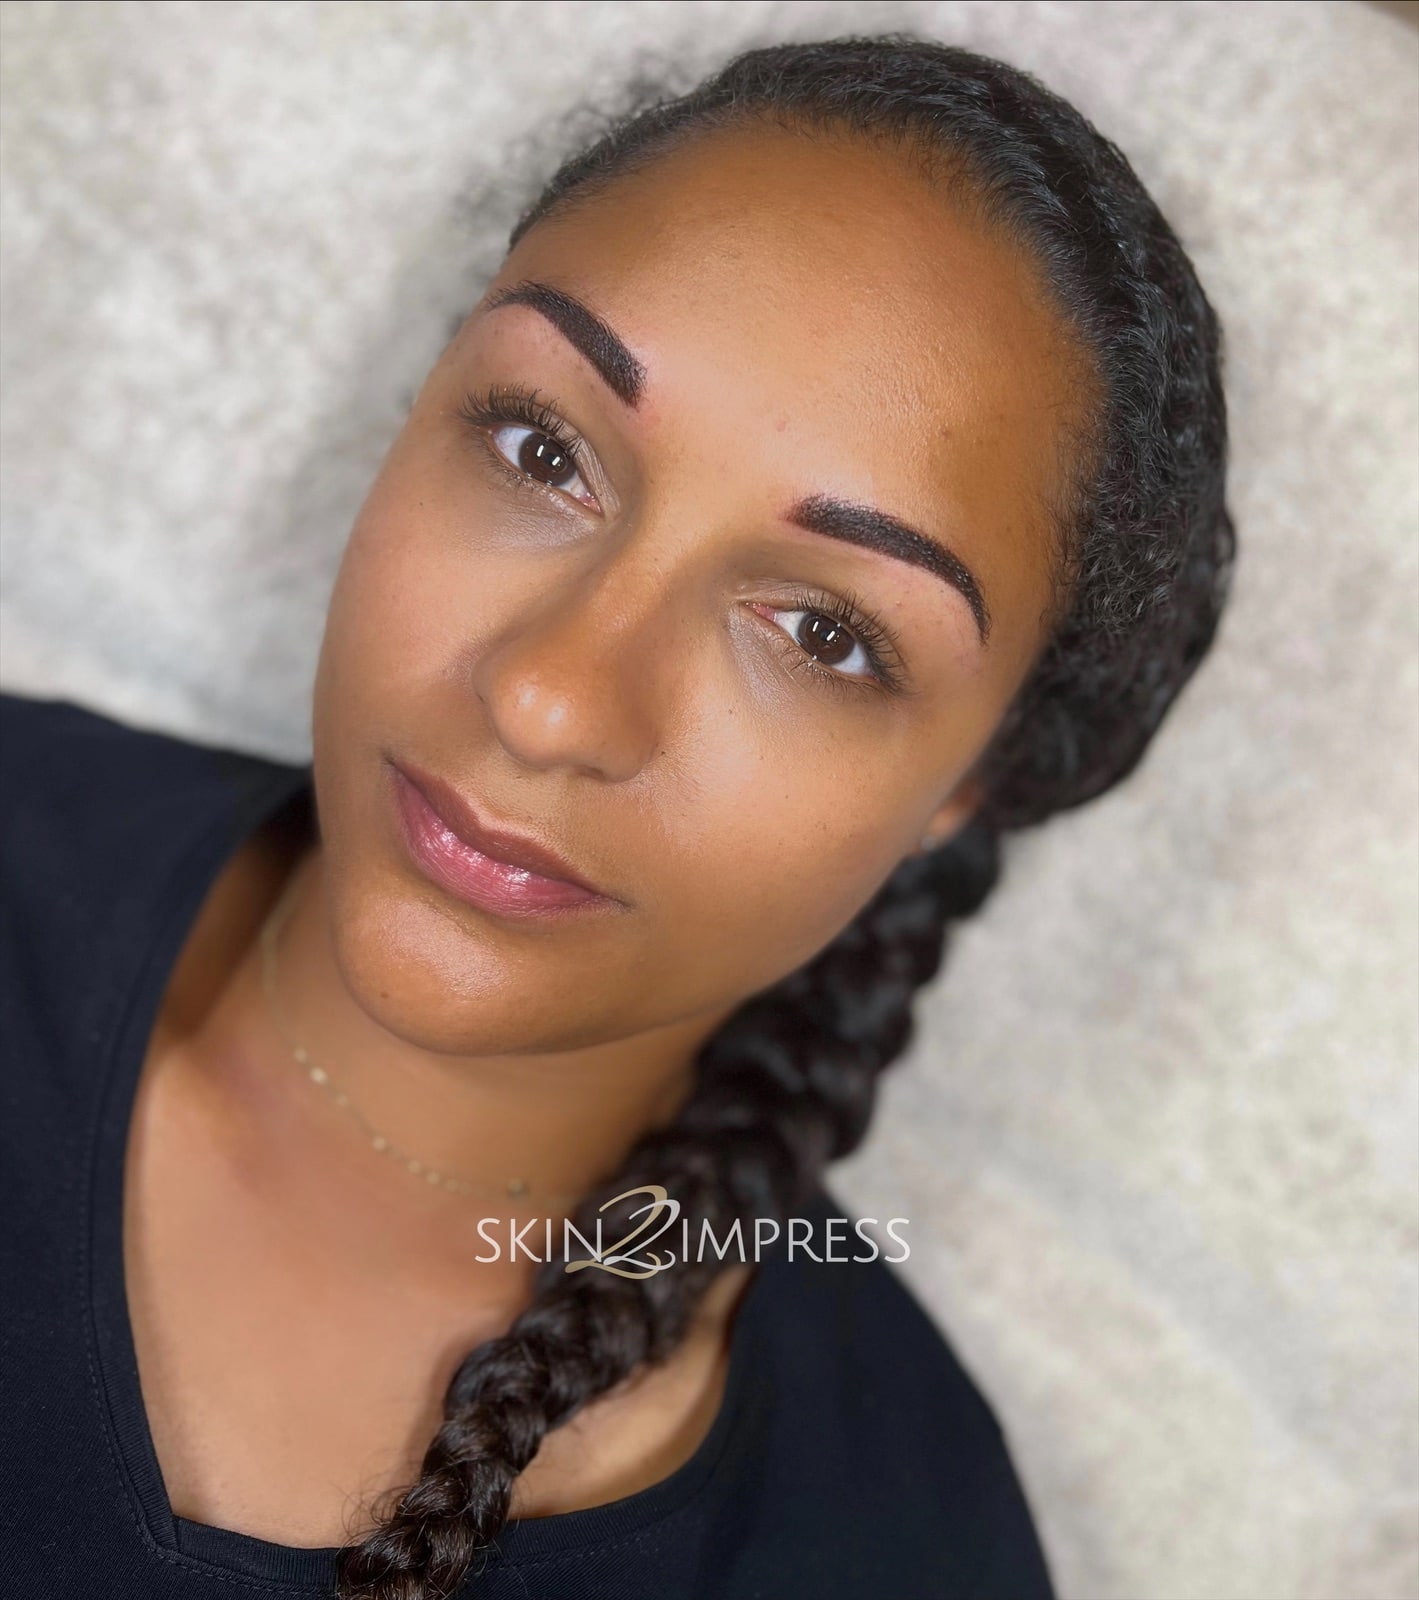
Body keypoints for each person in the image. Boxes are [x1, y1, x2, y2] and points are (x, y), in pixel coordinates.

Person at [0, 33, 1235, 1600]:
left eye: (824, 634)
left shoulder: (896, 1542)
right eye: (544, 450)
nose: (551, 699)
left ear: (970, 790)